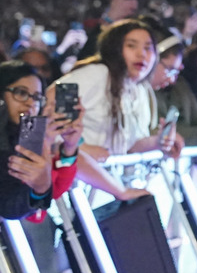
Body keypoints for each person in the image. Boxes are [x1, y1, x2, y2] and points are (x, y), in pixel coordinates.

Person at [53, 19, 178, 199]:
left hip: (104, 190)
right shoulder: (97, 74)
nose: (142, 54)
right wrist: (81, 147)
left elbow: (130, 146)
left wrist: (158, 141)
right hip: (73, 187)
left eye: (148, 48)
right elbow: (51, 102)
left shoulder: (140, 90)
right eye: (131, 46)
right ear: (114, 48)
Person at [0, 61, 83, 219]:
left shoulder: (29, 136)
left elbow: (54, 192)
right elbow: (10, 205)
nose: (31, 103)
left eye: (37, 97)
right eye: (21, 93)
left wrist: (70, 148)